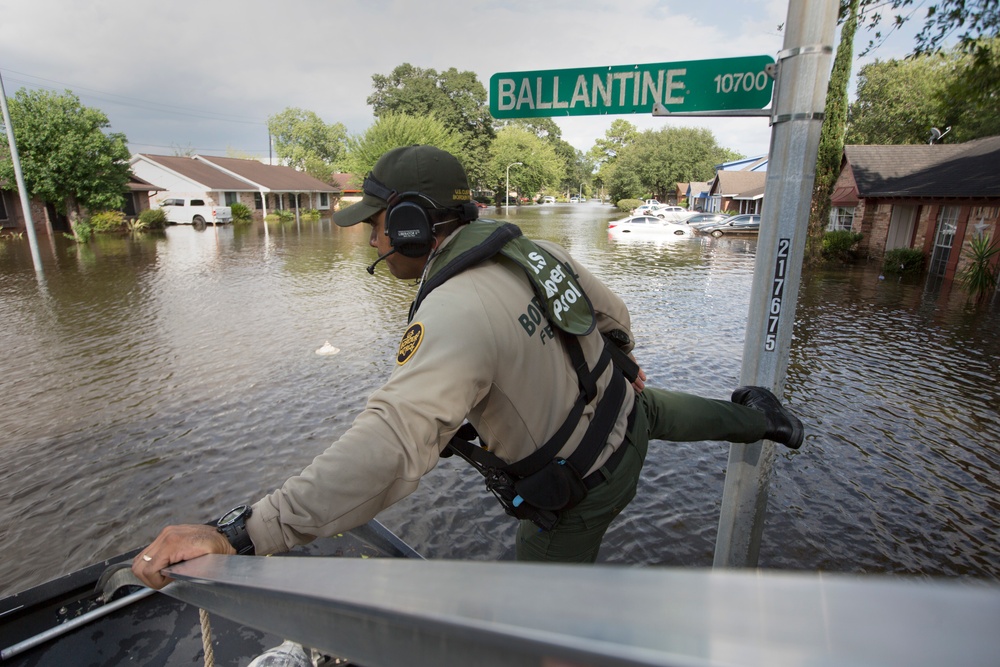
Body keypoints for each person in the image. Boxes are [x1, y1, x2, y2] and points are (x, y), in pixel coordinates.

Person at [132, 145, 803, 589]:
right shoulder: (531, 251)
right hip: (628, 419)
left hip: (579, 496)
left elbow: (390, 449)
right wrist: (621, 364)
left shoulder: (454, 312)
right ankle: (763, 419)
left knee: (539, 634)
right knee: (664, 410)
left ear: (416, 223)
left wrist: (242, 532)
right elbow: (612, 311)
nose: (371, 238)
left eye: (378, 223)